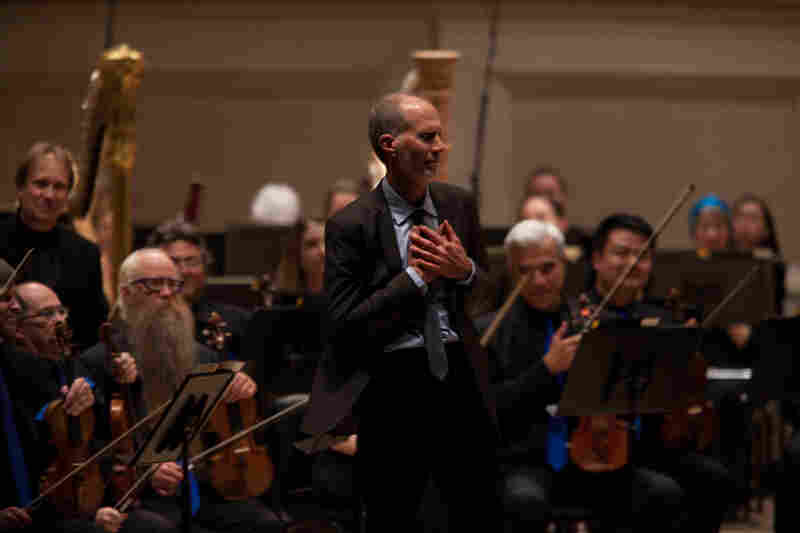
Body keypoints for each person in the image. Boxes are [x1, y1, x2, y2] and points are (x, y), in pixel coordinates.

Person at [301, 93, 497, 532]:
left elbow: (489, 293)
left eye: (441, 137)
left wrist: (462, 270)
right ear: (390, 145)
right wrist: (413, 280)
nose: (440, 147)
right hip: (392, 383)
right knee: (396, 515)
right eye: (427, 137)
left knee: (475, 511)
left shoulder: (458, 205)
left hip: (459, 374)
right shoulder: (351, 224)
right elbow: (345, 325)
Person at [484, 218, 684, 532]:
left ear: (565, 265)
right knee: (524, 502)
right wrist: (546, 371)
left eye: (548, 268)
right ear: (510, 271)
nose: (537, 280)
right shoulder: (492, 331)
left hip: (596, 457)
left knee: (663, 493)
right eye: (525, 271)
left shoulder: (594, 320)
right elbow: (488, 410)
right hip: (527, 461)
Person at [81, 248, 282, 533]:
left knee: (264, 523)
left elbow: (222, 431)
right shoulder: (100, 361)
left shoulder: (203, 356)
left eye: (173, 284)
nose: (166, 293)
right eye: (153, 284)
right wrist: (145, 469)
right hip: (138, 495)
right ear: (125, 292)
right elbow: (89, 445)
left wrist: (240, 392)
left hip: (201, 485)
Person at [587, 214, 738, 532]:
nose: (633, 262)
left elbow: (684, 390)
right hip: (596, 451)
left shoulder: (663, 320)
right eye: (621, 252)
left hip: (654, 445)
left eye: (642, 256)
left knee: (716, 479)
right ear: (597, 259)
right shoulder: (580, 317)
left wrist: (687, 356)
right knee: (661, 494)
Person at [9, 280, 127, 532]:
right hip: (41, 502)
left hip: (90, 491)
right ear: (18, 328)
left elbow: (103, 438)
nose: (60, 320)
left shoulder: (76, 365)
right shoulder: (15, 376)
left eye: (61, 311)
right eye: (47, 314)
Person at [0, 142, 108, 350]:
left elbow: (93, 330)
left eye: (59, 187)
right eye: (41, 184)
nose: (49, 195)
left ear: (68, 194)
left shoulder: (85, 253)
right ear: (21, 188)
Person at [146, 221, 252, 360]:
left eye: (191, 262)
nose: (184, 271)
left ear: (205, 267)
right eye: (173, 262)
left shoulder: (237, 322)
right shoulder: (141, 325)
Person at [731, 193, 785, 314]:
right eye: (740, 217)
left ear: (767, 230)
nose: (744, 223)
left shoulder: (777, 269)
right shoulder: (720, 265)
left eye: (753, 218)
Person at [525, 166, 591, 255]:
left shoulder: (584, 242)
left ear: (563, 196)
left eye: (550, 193)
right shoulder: (516, 242)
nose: (545, 199)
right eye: (537, 194)